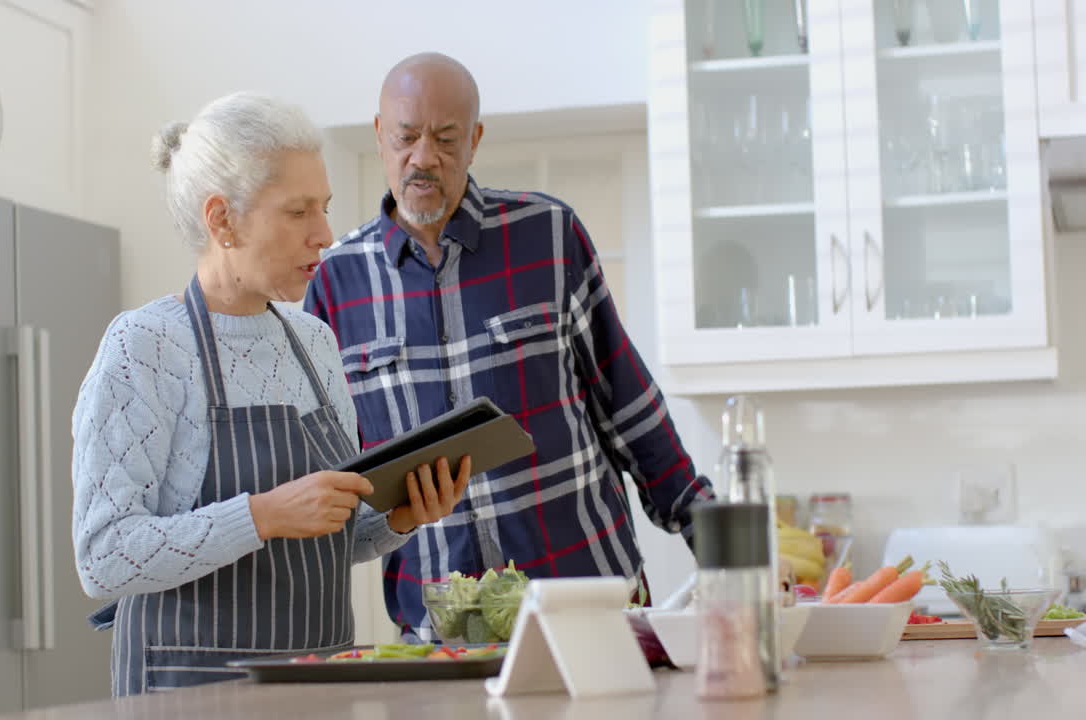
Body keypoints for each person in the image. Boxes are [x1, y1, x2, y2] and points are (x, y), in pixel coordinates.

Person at [71, 92, 471, 695]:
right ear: (222, 219)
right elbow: (103, 556)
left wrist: (396, 519)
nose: (325, 235)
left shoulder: (313, 341)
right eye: (298, 212)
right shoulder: (145, 347)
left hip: (314, 689)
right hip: (189, 694)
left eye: (326, 208)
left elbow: (326, 537)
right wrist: (261, 515)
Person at [303, 53, 714, 640]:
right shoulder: (334, 282)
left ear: (475, 140)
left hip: (590, 605)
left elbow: (628, 405)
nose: (423, 158)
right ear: (378, 135)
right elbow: (330, 469)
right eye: (406, 136)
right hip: (442, 632)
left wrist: (720, 541)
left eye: (446, 139)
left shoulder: (547, 234)